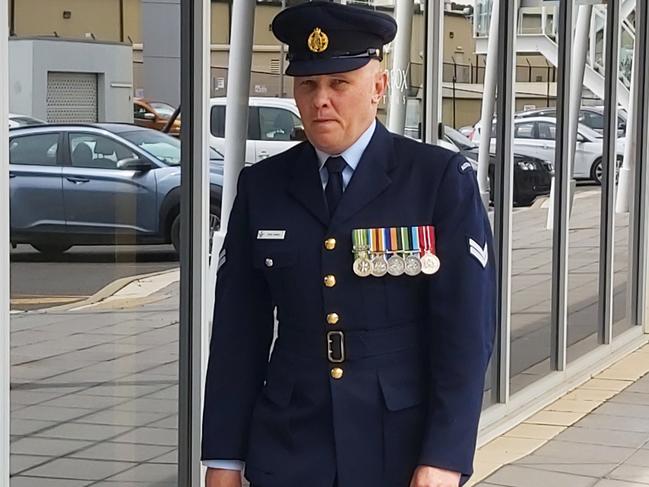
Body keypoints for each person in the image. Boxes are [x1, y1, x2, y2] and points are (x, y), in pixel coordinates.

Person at [201, 2, 495, 487]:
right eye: (308, 85)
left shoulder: (437, 180)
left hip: (397, 445)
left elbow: (465, 332)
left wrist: (445, 455)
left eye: (339, 83)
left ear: (377, 87)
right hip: (289, 443)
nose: (321, 100)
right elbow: (239, 334)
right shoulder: (263, 186)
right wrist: (225, 458)